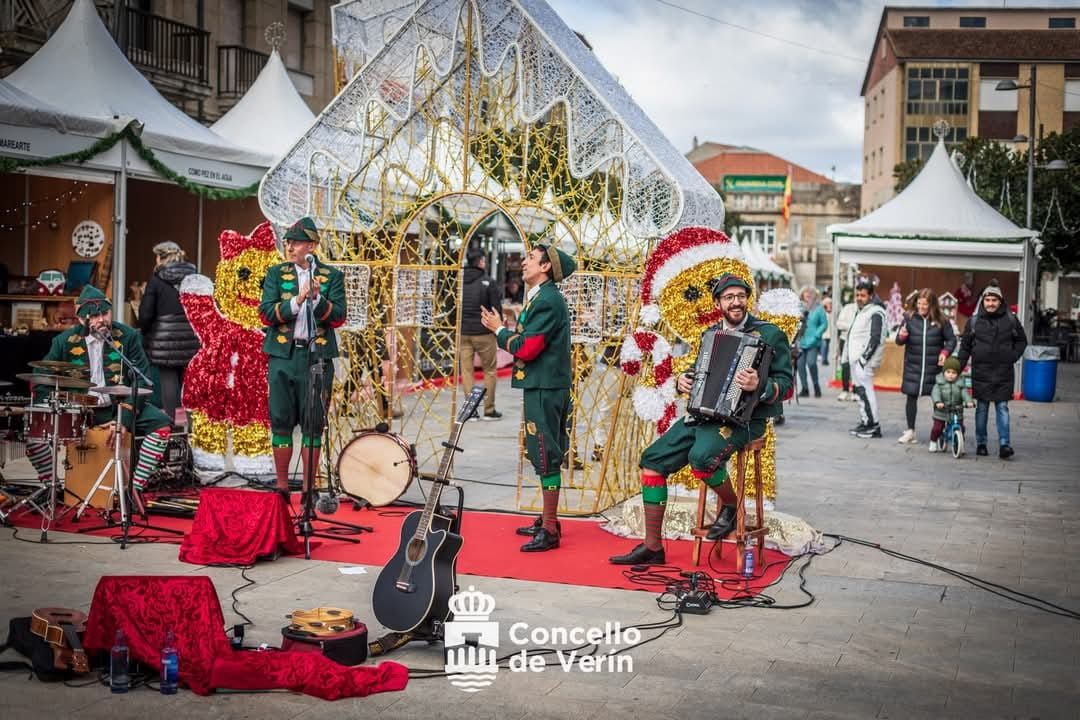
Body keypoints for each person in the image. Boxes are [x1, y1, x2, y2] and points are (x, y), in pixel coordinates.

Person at [608, 273, 793, 566]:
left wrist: (760, 384)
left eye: (741, 296)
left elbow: (788, 385)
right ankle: (653, 547)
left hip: (745, 420)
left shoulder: (770, 334)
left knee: (702, 458)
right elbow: (700, 371)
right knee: (652, 461)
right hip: (704, 416)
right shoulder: (711, 334)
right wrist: (684, 380)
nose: (736, 302)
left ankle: (731, 507)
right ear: (718, 302)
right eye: (729, 297)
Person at [29, 286, 172, 502]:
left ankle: (134, 489)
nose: (102, 320)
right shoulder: (63, 342)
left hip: (117, 407)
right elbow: (41, 380)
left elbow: (141, 378)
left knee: (161, 424)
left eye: (105, 313)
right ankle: (52, 487)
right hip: (78, 410)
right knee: (33, 435)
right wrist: (56, 414)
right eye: (94, 316)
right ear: (81, 320)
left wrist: (122, 420)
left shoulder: (128, 336)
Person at [480, 243, 575, 553]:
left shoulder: (547, 300)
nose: (524, 262)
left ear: (546, 267)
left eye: (531, 258)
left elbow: (527, 348)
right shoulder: (541, 297)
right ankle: (549, 519)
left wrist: (499, 331)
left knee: (545, 450)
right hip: (543, 384)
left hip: (545, 386)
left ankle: (549, 529)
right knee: (541, 449)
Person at [259, 216, 347, 492]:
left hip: (317, 359)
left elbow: (339, 318)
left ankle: (309, 488)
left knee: (313, 423)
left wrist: (318, 300)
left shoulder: (332, 276)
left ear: (311, 245)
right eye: (287, 242)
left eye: (295, 242)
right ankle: (283, 486)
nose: (290, 247)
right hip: (283, 358)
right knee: (281, 421)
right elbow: (265, 313)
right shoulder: (276, 274)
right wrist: (296, 301)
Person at [956, 283, 1027, 459]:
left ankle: (1005, 444)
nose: (990, 303)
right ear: (983, 301)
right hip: (981, 372)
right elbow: (965, 347)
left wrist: (1012, 356)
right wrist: (957, 367)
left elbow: (1022, 341)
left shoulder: (1011, 319)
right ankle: (981, 443)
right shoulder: (974, 321)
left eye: (994, 300)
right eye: (987, 300)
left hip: (1003, 372)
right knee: (982, 408)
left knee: (1002, 407)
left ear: (1000, 301)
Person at [137, 241, 199, 423]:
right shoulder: (193, 277)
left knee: (169, 383)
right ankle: (192, 428)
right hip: (191, 339)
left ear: (160, 258)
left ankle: (173, 427)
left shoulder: (156, 281)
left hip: (165, 343)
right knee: (189, 385)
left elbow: (145, 314)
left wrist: (146, 332)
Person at [895, 288, 957, 444]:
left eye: (925, 304)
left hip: (933, 367)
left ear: (932, 305)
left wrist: (945, 352)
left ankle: (939, 429)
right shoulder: (908, 318)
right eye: (919, 303)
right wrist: (902, 336)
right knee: (911, 396)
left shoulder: (941, 320)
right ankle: (910, 431)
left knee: (938, 399)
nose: (922, 307)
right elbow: (899, 341)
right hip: (913, 365)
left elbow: (951, 340)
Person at [459, 248, 503, 420]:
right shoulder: (488, 282)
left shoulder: (459, 281)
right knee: (490, 370)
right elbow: (495, 309)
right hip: (484, 332)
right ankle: (489, 409)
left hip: (463, 333)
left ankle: (471, 411)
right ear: (481, 262)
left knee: (467, 371)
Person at [843, 280, 887, 439]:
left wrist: (863, 359)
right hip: (857, 359)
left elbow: (876, 337)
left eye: (862, 295)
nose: (859, 298)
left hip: (864, 360)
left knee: (866, 392)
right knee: (861, 393)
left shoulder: (876, 311)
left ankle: (873, 426)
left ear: (871, 295)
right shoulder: (863, 310)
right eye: (857, 295)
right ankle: (866, 421)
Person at [928, 357, 966, 453]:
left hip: (956, 410)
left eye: (954, 373)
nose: (950, 375)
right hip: (942, 410)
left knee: (961, 427)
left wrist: (968, 401)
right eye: (948, 372)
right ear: (944, 372)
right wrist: (938, 402)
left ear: (958, 374)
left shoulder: (960, 384)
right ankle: (933, 441)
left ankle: (961, 444)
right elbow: (935, 393)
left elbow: (964, 393)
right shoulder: (939, 384)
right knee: (937, 428)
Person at [796, 286, 826, 398]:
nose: (808, 294)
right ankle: (804, 388)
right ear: (802, 294)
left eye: (810, 292)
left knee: (812, 363)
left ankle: (816, 385)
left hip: (813, 341)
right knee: (800, 365)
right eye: (805, 292)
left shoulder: (818, 308)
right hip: (800, 341)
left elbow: (824, 324)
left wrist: (817, 335)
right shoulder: (797, 307)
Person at [834, 292, 858, 402]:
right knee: (845, 365)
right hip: (846, 339)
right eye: (857, 296)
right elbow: (839, 323)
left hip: (858, 341)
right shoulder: (848, 308)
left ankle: (855, 391)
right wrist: (852, 327)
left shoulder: (867, 310)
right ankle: (845, 390)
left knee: (856, 366)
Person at [820, 296, 832, 366]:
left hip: (829, 332)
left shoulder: (831, 312)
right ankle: (823, 359)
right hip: (824, 332)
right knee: (824, 346)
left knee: (827, 347)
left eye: (830, 303)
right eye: (828, 303)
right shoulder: (822, 312)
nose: (829, 304)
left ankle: (825, 359)